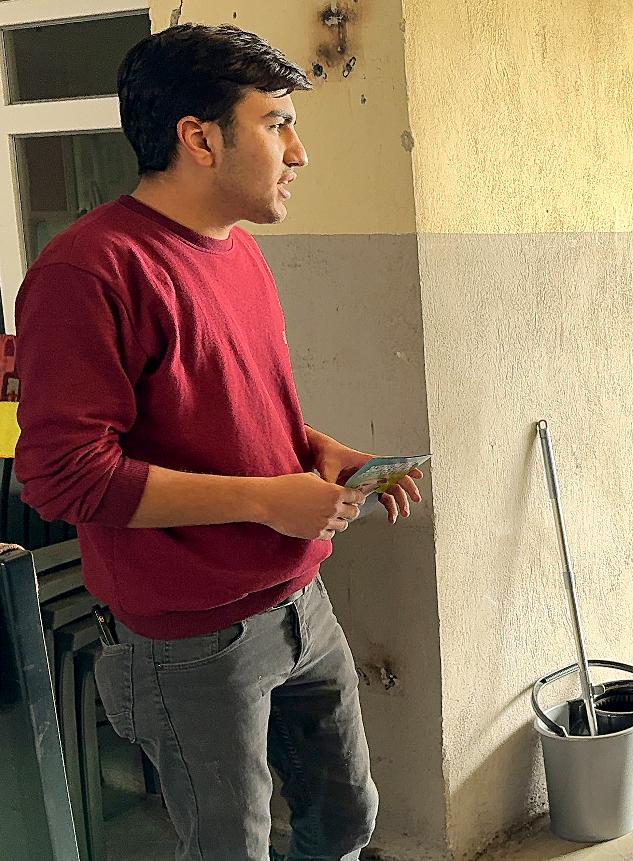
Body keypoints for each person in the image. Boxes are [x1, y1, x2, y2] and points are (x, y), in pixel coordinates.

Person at [15, 24, 422, 861]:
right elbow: (63, 476)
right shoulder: (87, 271)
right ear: (198, 139)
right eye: (277, 124)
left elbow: (222, 407)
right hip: (189, 642)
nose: (298, 152)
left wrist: (313, 449)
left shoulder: (236, 251)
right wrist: (268, 500)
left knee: (346, 819)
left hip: (301, 600)